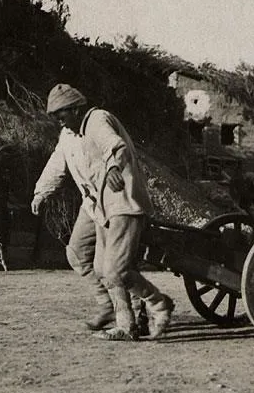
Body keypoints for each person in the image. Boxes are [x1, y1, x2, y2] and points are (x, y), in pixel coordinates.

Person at [32, 84, 174, 341]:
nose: (60, 123)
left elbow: (115, 146)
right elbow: (57, 162)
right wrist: (41, 192)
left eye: (62, 116)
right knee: (99, 266)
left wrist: (112, 169)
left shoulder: (96, 120)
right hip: (99, 205)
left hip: (122, 201)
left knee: (116, 269)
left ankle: (159, 304)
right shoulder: (68, 134)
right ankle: (125, 324)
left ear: (75, 109)